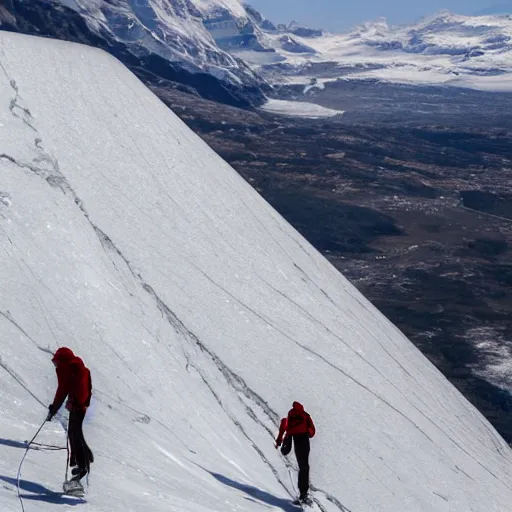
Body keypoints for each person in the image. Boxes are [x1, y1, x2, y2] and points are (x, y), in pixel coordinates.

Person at [47, 347, 93, 482]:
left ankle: (83, 467)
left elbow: (81, 388)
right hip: (76, 405)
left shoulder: (75, 369)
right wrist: (54, 408)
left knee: (75, 434)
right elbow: (63, 389)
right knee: (74, 433)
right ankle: (83, 461)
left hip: (78, 406)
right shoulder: (67, 370)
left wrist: (75, 403)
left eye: (57, 362)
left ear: (63, 361)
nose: (55, 365)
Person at [275, 401, 316, 504]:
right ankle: (303, 494)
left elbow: (284, 424)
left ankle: (302, 493)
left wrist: (279, 439)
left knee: (301, 465)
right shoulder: (305, 415)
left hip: (295, 440)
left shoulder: (291, 414)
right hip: (304, 440)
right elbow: (312, 431)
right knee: (305, 466)